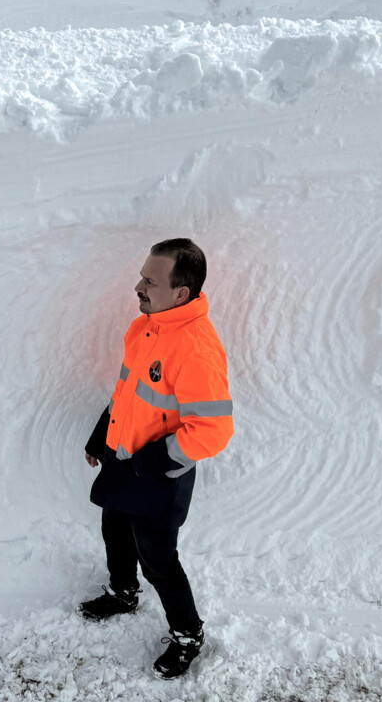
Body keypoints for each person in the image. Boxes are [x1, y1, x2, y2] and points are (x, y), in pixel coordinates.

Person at [77, 238, 233, 680]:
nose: (137, 285)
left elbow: (214, 428)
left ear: (180, 294)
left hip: (160, 475)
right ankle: (124, 593)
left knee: (159, 560)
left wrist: (157, 459)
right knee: (114, 530)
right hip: (122, 457)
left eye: (149, 280)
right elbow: (128, 388)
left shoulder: (196, 348)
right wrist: (101, 435)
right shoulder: (145, 326)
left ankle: (188, 634)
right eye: (142, 275)